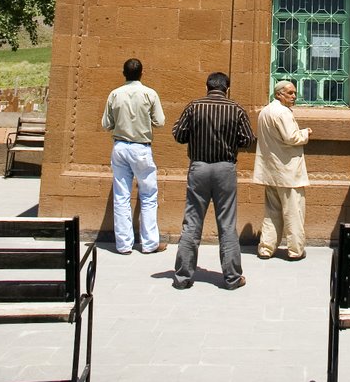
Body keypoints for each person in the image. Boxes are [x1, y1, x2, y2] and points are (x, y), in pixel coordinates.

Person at [172, 71, 255, 291]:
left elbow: (179, 135)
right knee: (227, 223)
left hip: (199, 167)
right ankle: (232, 277)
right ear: (227, 88)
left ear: (207, 87)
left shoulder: (194, 106)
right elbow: (248, 139)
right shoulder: (236, 109)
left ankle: (182, 276)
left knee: (192, 220)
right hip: (225, 168)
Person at [101, 57, 166, 254]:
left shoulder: (115, 94)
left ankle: (123, 245)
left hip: (120, 146)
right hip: (141, 147)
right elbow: (160, 121)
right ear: (141, 73)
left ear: (124, 73)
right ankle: (149, 243)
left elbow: (106, 124)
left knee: (121, 196)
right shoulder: (149, 94)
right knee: (148, 195)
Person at [253, 80, 311, 260]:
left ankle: (266, 248)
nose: (294, 96)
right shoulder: (282, 112)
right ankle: (295, 250)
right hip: (288, 171)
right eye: (290, 93)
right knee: (294, 211)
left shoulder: (265, 111)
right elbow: (291, 137)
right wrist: (305, 133)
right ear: (279, 94)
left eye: (294, 93)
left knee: (272, 212)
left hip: (271, 170)